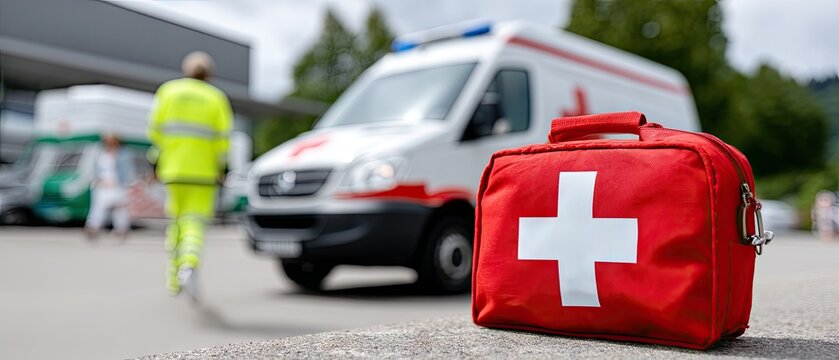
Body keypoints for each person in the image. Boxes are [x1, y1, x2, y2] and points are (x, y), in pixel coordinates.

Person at [148, 51, 232, 296]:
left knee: (176, 222)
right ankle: (189, 263)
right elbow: (224, 140)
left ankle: (173, 279)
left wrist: (155, 163)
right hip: (203, 173)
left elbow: (155, 132)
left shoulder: (168, 91)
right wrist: (222, 169)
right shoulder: (216, 98)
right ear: (209, 73)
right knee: (194, 221)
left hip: (173, 169)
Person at [84, 133, 135, 240]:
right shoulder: (101, 153)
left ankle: (121, 230)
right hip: (103, 185)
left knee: (119, 208)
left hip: (118, 185)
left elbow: (128, 171)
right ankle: (93, 228)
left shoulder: (123, 154)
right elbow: (95, 169)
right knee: (98, 207)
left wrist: (127, 183)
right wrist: (96, 180)